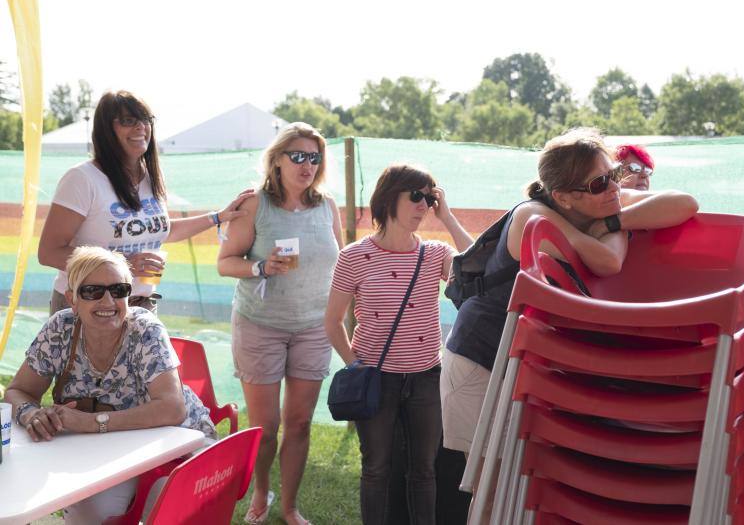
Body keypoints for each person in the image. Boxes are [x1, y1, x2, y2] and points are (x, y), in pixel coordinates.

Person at [441, 128, 697, 520]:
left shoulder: (598, 202)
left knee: (527, 484)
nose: (613, 187)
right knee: (492, 487)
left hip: (523, 367)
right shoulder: (532, 215)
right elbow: (608, 261)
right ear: (563, 196)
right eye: (599, 183)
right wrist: (616, 226)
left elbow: (685, 203)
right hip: (481, 363)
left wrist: (613, 221)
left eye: (613, 174)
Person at [4, 246, 216, 524]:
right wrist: (31, 414)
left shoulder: (144, 328)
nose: (108, 301)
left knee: (166, 504)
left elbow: (172, 409)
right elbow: (18, 391)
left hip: (179, 442)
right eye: (92, 291)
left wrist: (90, 422)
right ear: (72, 299)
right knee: (91, 511)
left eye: (119, 290)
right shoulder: (60, 328)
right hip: (110, 448)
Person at [324, 164, 472, 525]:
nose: (424, 206)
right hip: (377, 378)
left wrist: (448, 216)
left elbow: (475, 265)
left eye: (430, 198)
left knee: (424, 469)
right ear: (390, 198)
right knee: (375, 467)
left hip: (426, 377)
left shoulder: (436, 254)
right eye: (417, 196)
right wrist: (355, 364)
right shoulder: (354, 257)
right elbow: (332, 322)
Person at [217, 122, 343, 525]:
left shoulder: (328, 206)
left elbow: (339, 265)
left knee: (300, 422)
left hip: (312, 327)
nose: (307, 164)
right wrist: (260, 266)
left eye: (314, 157)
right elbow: (224, 262)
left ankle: (289, 506)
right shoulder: (256, 204)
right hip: (260, 325)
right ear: (277, 159)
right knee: (266, 427)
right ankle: (260, 490)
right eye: (298, 156)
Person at [38, 89, 253, 315]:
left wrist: (218, 217)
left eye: (145, 119)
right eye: (128, 120)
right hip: (87, 306)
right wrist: (120, 265)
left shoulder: (151, 178)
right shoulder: (82, 179)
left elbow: (159, 230)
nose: (141, 127)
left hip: (140, 305)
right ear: (106, 130)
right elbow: (49, 252)